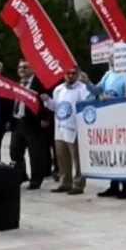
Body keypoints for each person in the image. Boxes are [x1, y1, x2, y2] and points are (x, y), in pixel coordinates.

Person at [92, 55, 126, 200]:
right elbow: (96, 91)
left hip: (124, 118)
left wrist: (115, 99)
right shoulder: (107, 75)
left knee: (123, 152)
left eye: (115, 59)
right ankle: (113, 185)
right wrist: (87, 83)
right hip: (108, 118)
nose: (112, 61)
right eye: (110, 59)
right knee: (111, 151)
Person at [41, 67, 93, 195]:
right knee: (62, 157)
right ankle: (65, 182)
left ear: (78, 75)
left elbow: (88, 104)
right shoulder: (59, 89)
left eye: (73, 73)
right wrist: (47, 100)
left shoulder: (82, 88)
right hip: (60, 127)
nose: (70, 76)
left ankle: (78, 184)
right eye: (67, 73)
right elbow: (56, 107)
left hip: (75, 128)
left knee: (77, 158)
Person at [9, 61, 53, 190]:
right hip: (18, 121)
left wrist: (46, 118)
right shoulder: (18, 83)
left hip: (34, 123)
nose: (22, 69)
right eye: (20, 67)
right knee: (15, 152)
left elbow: (47, 101)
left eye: (25, 67)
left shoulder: (40, 83)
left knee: (36, 153)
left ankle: (36, 180)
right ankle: (20, 176)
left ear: (33, 69)